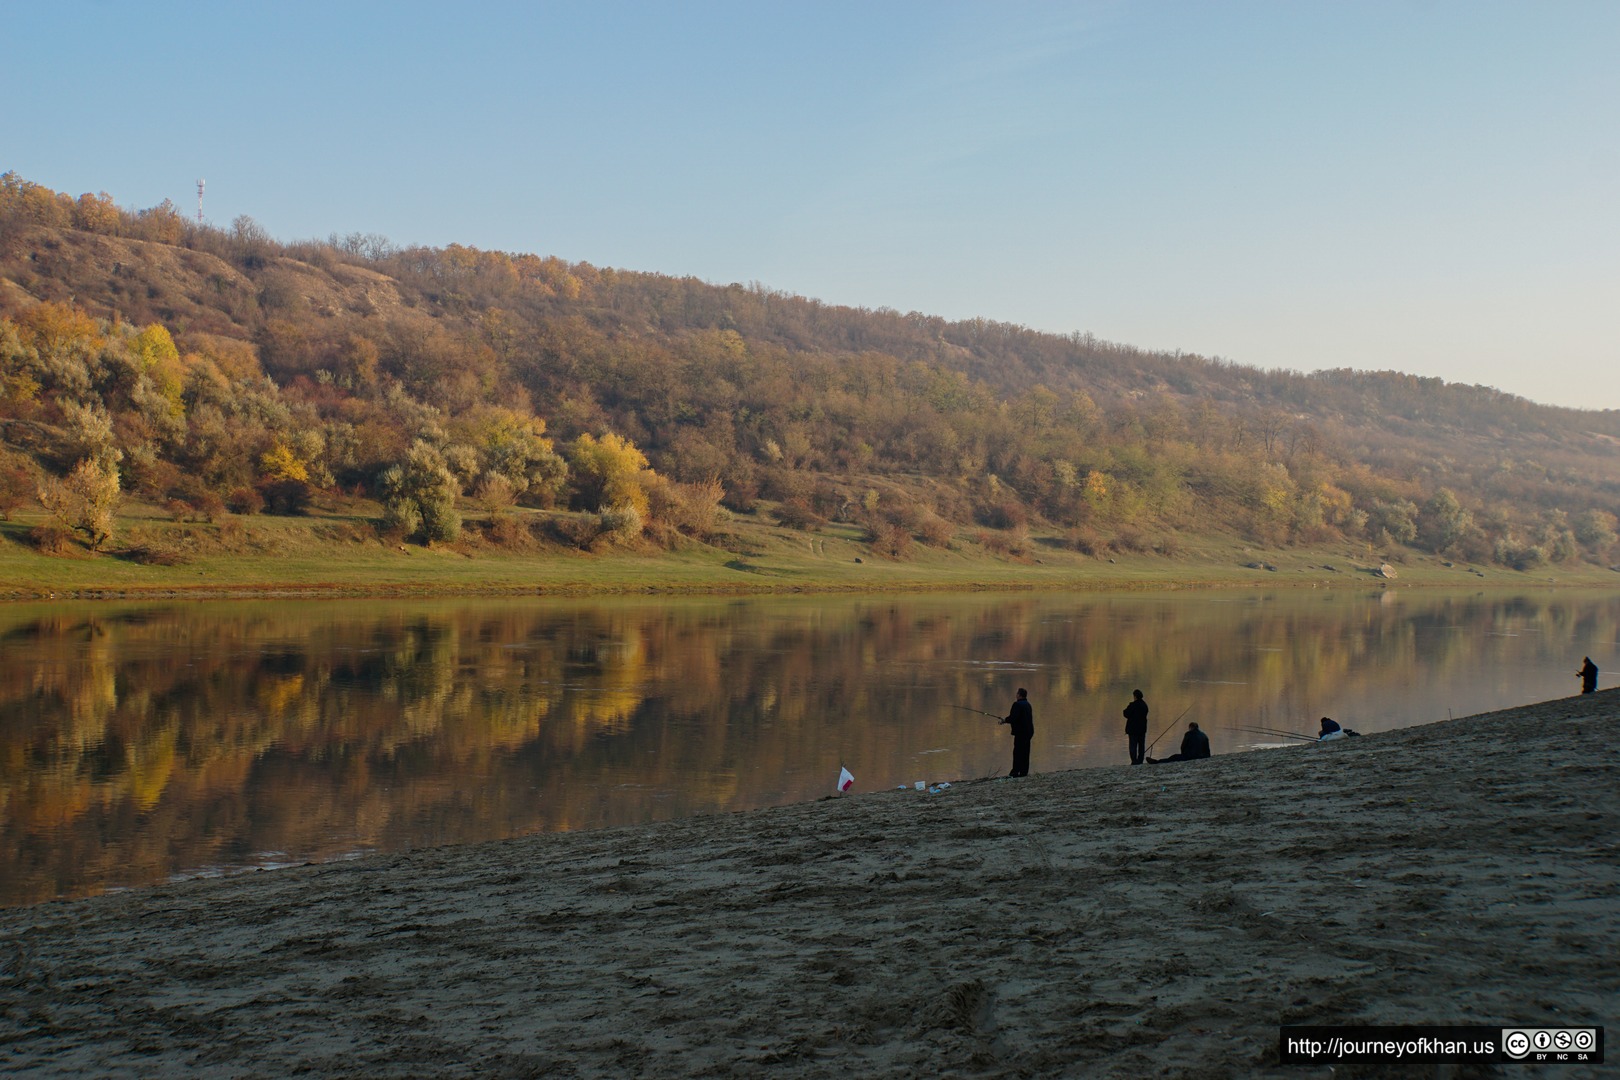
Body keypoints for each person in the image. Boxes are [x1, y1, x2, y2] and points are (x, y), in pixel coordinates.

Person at [1000, 688, 1033, 777]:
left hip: (1021, 733)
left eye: (1017, 693)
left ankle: (1015, 772)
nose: (1016, 695)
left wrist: (1004, 720)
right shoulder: (1028, 704)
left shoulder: (1017, 704)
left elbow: (1013, 718)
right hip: (1029, 732)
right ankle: (1024, 772)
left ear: (1019, 695)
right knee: (1025, 752)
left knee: (1018, 752)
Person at [1123, 689, 1149, 765]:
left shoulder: (1133, 705)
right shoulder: (1144, 705)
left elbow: (1126, 714)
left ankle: (1134, 761)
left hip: (1133, 730)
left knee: (1133, 746)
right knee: (1141, 746)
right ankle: (1140, 760)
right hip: (1142, 729)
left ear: (1135, 696)